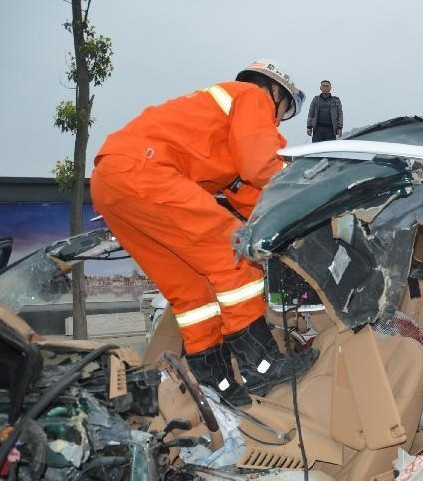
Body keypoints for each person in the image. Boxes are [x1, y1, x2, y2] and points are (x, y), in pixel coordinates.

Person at [91, 59, 306, 400]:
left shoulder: (218, 127)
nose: (277, 121)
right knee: (235, 254)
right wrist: (304, 188)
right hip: (147, 171)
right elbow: (263, 166)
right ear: (276, 90)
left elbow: (253, 196)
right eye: (283, 110)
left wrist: (285, 230)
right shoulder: (252, 96)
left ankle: (215, 383)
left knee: (193, 291)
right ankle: (263, 366)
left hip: (110, 182)